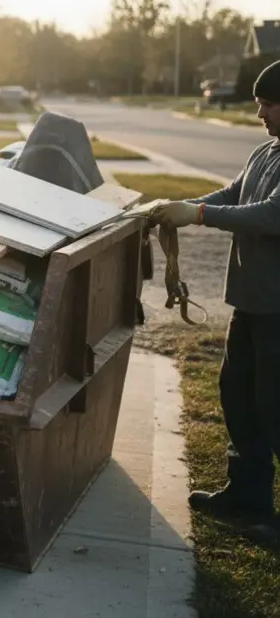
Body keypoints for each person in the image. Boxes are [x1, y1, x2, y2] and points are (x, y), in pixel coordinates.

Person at [153, 58, 280, 547]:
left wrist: (201, 215)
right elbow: (237, 193)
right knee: (239, 396)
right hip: (250, 303)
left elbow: (271, 214)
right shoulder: (266, 151)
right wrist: (182, 209)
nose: (260, 114)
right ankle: (247, 495)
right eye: (258, 104)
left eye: (268, 105)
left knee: (277, 407)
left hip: (279, 310)